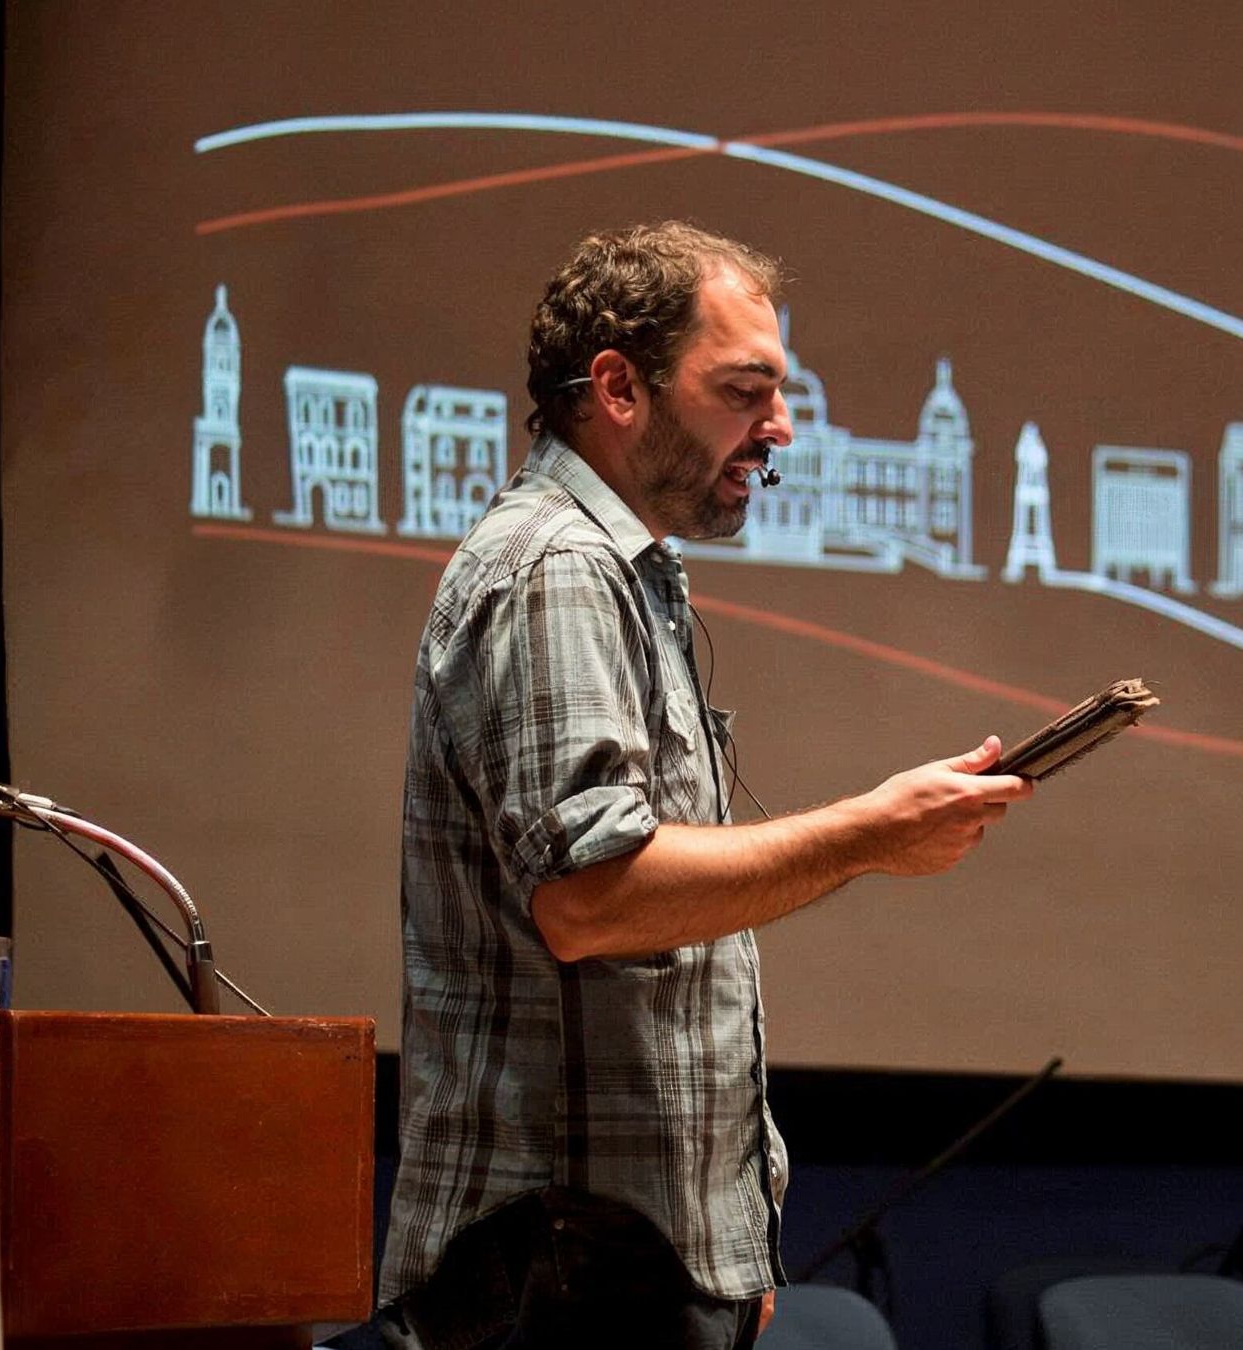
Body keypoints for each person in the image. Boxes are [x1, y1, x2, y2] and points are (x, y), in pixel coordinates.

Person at [374, 221, 1033, 1350]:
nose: (780, 428)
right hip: (561, 1270)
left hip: (627, 1256)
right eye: (744, 391)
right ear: (618, 389)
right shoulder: (559, 568)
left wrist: (723, 1236)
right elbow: (595, 898)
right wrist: (870, 834)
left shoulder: (630, 573)